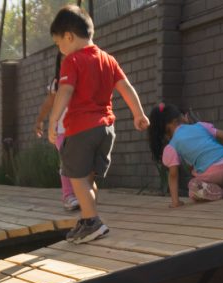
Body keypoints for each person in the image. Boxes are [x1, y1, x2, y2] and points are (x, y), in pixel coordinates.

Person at [46, 4, 149, 244]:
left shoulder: (72, 61)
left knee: (76, 177)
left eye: (59, 44)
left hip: (81, 129)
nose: (60, 50)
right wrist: (139, 114)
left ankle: (93, 221)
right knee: (88, 179)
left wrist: (53, 119)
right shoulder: (108, 59)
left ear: (69, 37)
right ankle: (87, 218)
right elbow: (126, 88)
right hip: (106, 130)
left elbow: (65, 91)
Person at [147, 102, 223, 206]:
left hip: (212, 173)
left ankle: (218, 193)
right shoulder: (200, 126)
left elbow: (173, 174)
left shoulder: (172, 145)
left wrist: (175, 202)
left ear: (165, 131)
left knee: (193, 186)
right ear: (180, 118)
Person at [33, 52, 79, 212]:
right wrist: (39, 120)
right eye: (64, 59)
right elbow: (48, 103)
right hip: (62, 130)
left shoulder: (82, 77)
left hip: (81, 128)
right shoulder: (57, 83)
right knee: (67, 161)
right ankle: (68, 196)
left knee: (81, 162)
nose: (68, 61)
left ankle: (81, 194)